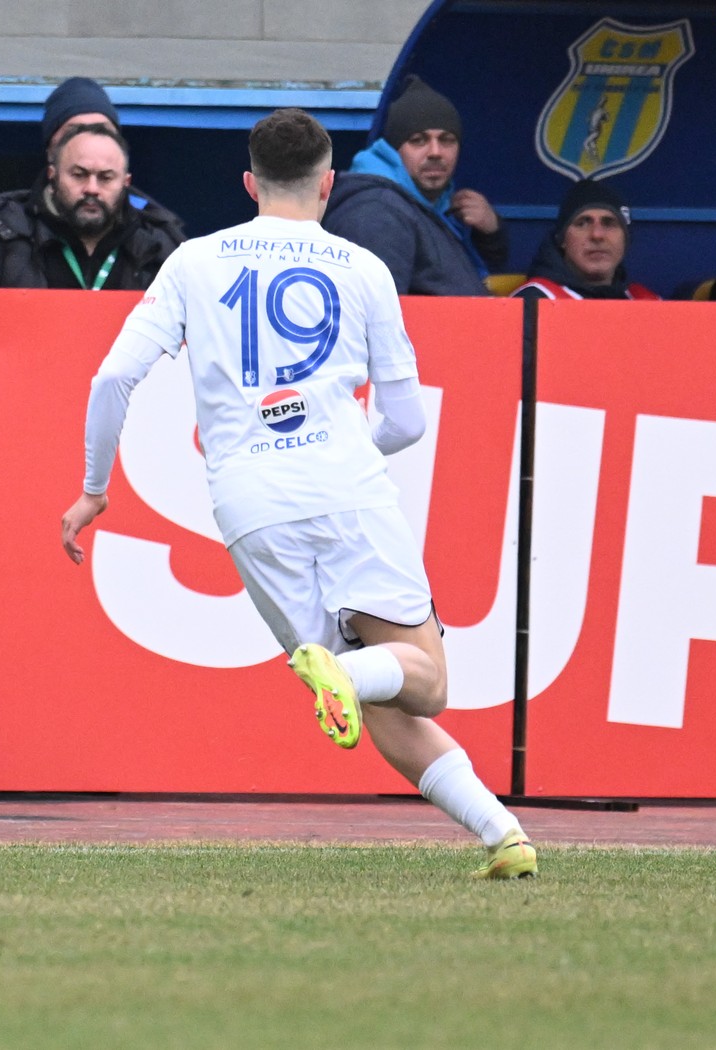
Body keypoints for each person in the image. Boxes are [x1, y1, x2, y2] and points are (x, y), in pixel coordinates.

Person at [59, 108, 538, 879]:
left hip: (249, 505)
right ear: (328, 184)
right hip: (347, 487)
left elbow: (112, 377)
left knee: (373, 693)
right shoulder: (363, 268)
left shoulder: (194, 261)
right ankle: (348, 676)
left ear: (250, 184)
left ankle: (502, 835)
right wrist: (346, 450)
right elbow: (407, 420)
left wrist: (93, 489)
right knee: (425, 683)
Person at [0, 77, 185, 289]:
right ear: (52, 166)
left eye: (105, 177)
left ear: (125, 179)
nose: (92, 188)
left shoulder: (162, 243)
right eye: (79, 174)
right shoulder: (3, 235)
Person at [322, 74, 507, 296]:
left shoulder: (429, 206)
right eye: (419, 140)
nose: (435, 152)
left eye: (446, 140)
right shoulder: (378, 211)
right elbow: (375, 311)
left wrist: (490, 235)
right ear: (393, 150)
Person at [511, 179, 659, 300]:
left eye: (609, 223)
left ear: (626, 240)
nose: (597, 235)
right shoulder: (533, 301)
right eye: (582, 223)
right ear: (561, 239)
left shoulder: (646, 302)